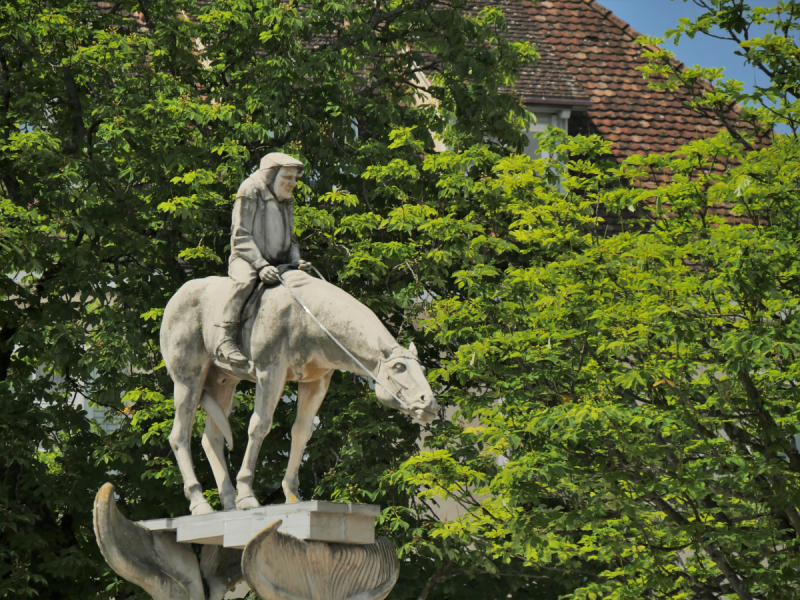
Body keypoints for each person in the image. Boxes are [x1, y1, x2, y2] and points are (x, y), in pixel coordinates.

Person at [215, 152, 312, 368]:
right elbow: (240, 236)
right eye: (288, 177)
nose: (293, 183)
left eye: (295, 178)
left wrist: (297, 261)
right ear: (271, 175)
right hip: (248, 260)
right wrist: (260, 265)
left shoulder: (286, 200)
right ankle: (226, 338)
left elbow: (292, 238)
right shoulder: (250, 190)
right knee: (244, 282)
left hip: (279, 263)